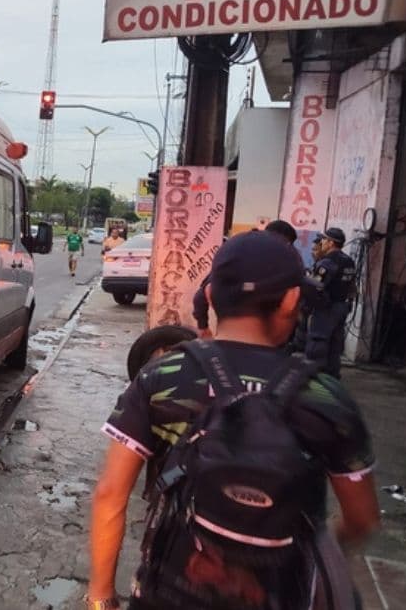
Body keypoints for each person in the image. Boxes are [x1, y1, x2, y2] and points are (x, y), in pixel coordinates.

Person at [88, 231, 379, 610]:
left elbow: (110, 496)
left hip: (170, 592)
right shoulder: (326, 396)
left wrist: (100, 598)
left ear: (210, 297)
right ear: (292, 300)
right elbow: (362, 519)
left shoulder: (163, 376)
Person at [192, 220, 298, 339]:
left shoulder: (237, 255)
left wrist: (203, 327)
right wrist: (203, 327)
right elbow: (202, 295)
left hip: (228, 341)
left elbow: (201, 296)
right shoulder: (282, 266)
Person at [304, 228, 356, 378]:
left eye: (324, 240)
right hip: (341, 306)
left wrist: (313, 304)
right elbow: (352, 287)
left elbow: (315, 286)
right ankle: (332, 376)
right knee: (334, 345)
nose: (321, 242)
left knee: (317, 342)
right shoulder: (349, 261)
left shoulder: (328, 262)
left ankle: (313, 375)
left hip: (327, 308)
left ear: (331, 243)